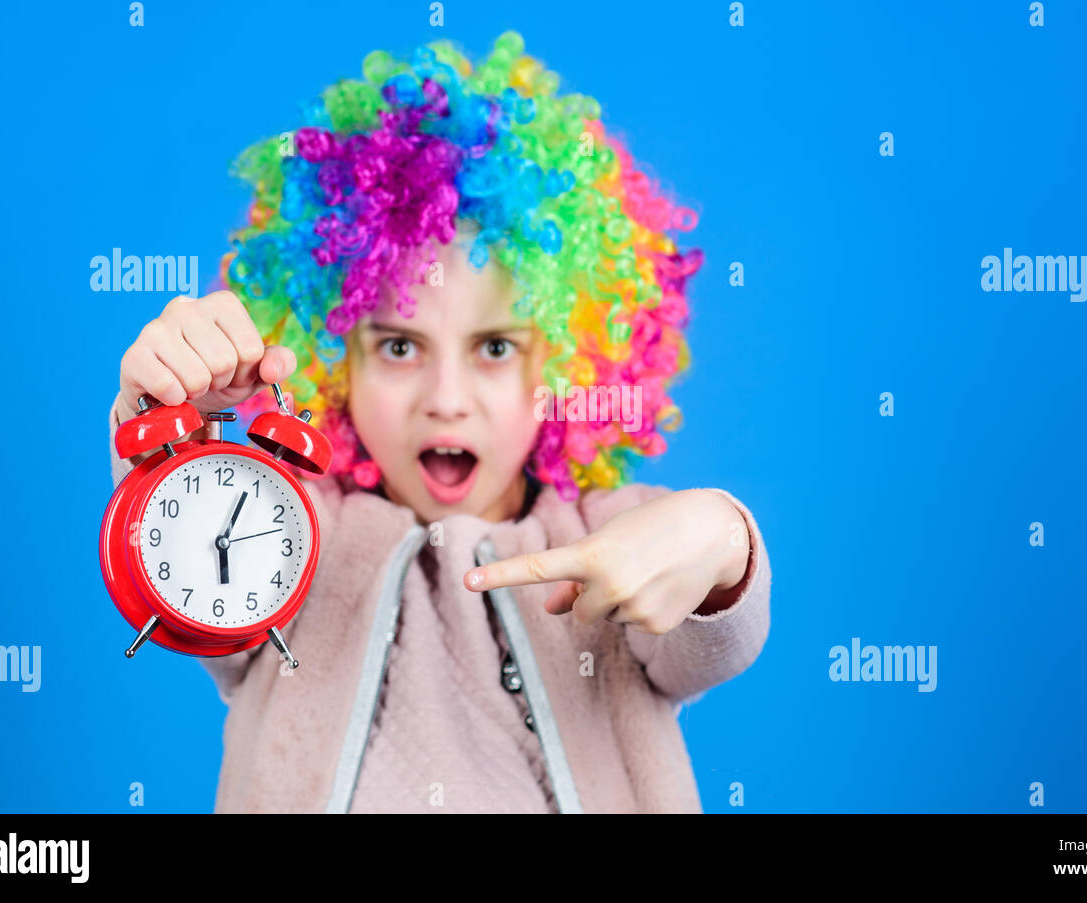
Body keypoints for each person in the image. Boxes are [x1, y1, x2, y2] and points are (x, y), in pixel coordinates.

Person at [105, 31, 771, 813]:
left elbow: (710, 628)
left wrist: (718, 538)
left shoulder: (606, 544)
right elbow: (179, 553)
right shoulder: (286, 540)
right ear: (336, 360)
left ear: (567, 363)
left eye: (494, 346)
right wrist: (166, 418)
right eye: (397, 344)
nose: (446, 396)